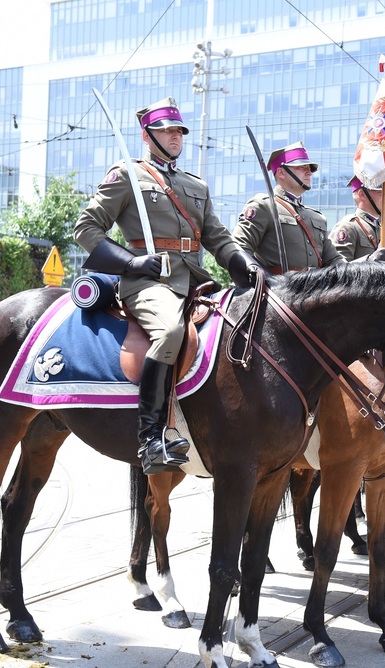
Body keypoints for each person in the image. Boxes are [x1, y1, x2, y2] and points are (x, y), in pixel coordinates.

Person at [73, 96, 262, 475]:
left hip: (195, 281)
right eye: (167, 131)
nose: (176, 137)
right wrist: (130, 262)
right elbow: (86, 228)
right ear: (147, 135)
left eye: (179, 131)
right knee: (172, 330)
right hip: (147, 282)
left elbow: (219, 238)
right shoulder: (128, 174)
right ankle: (151, 435)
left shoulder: (196, 185)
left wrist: (247, 264)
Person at [233, 141, 344, 274]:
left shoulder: (316, 217)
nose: (309, 173)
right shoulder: (264, 205)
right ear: (281, 173)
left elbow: (335, 262)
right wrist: (262, 278)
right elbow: (238, 250)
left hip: (314, 290)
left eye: (310, 169)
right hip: (277, 290)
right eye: (302, 168)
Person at [329, 177, 385, 264]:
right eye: (381, 193)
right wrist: (369, 261)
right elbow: (337, 269)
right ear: (362, 194)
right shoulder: (349, 226)